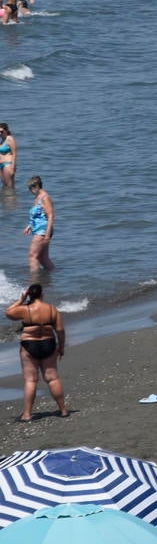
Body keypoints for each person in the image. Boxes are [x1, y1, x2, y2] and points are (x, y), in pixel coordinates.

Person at [8, 283, 68, 422]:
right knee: (53, 378)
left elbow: (9, 312)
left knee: (31, 380)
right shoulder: (52, 309)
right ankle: (63, 410)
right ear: (42, 294)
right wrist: (61, 346)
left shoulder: (25, 309)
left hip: (29, 345)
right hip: (48, 344)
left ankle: (27, 414)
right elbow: (60, 330)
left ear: (29, 294)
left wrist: (21, 300)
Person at [24, 176, 52, 274]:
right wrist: (30, 226)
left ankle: (34, 281)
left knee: (33, 256)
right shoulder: (38, 198)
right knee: (43, 259)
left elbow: (51, 216)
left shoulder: (45, 197)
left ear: (37, 186)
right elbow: (38, 216)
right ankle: (50, 278)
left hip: (43, 231)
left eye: (31, 188)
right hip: (38, 229)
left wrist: (47, 236)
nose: (30, 191)